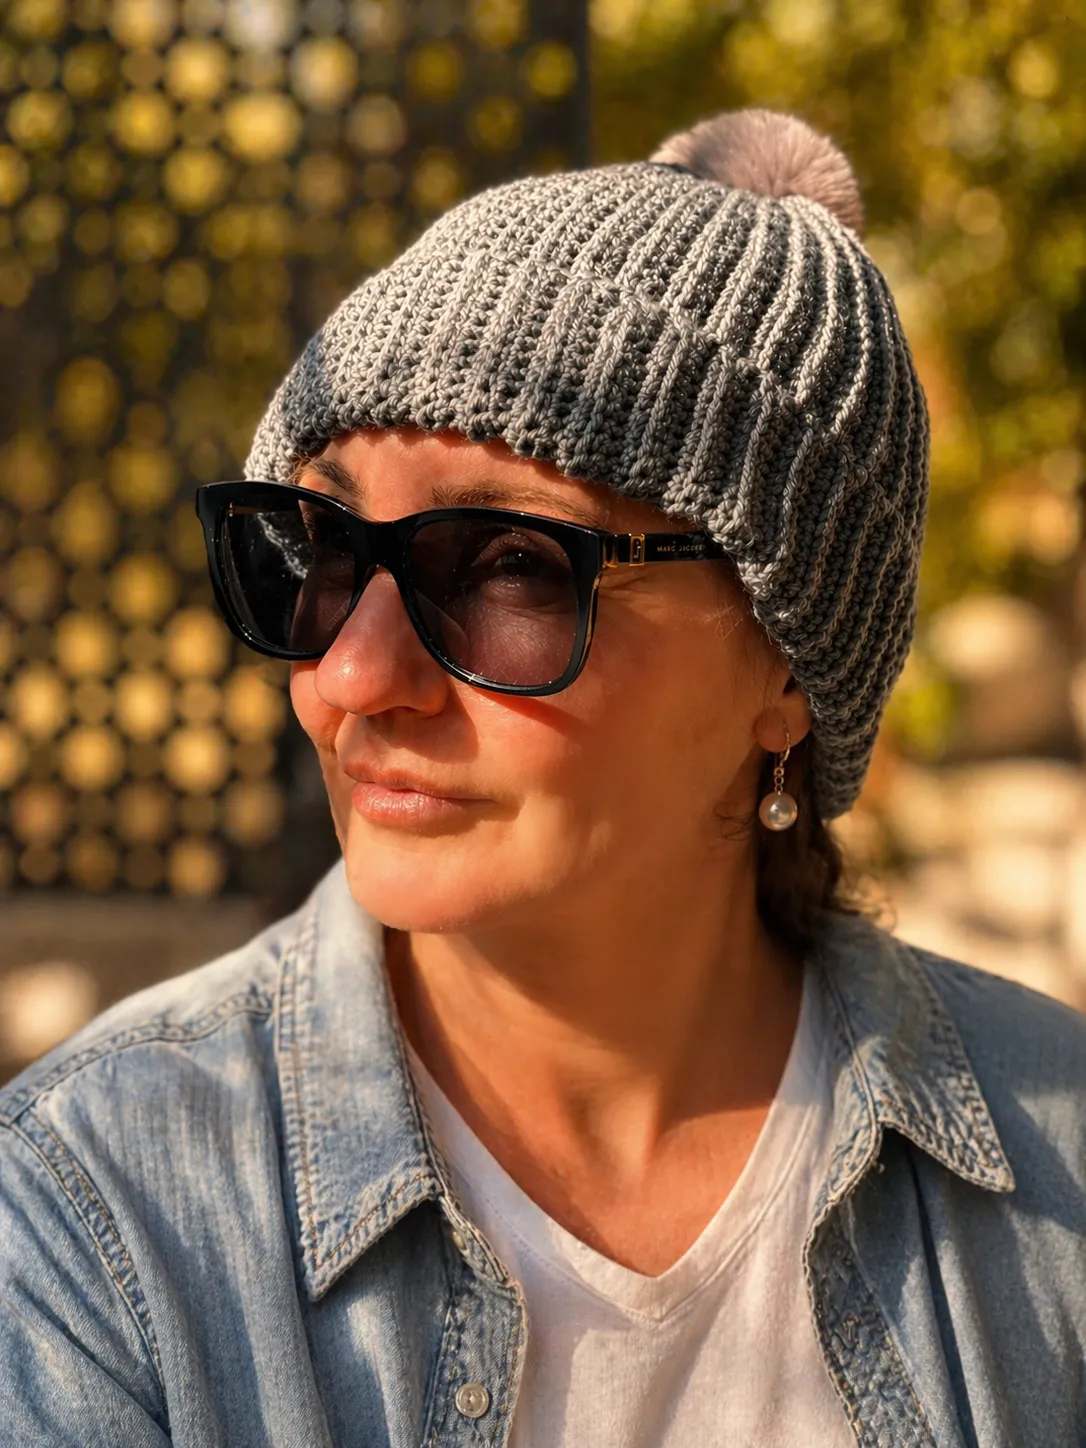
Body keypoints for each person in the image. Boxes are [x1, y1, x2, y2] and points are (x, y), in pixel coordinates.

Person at [2, 107, 1084, 1448]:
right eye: (321, 548)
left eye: (509, 568)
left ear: (787, 667)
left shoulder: (1058, 1176)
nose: (350, 678)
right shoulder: (96, 1211)